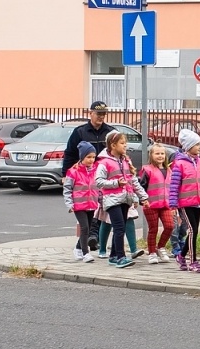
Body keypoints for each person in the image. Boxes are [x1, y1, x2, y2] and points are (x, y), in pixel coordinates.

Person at [62, 101, 114, 251]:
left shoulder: (110, 132)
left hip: (105, 175)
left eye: (103, 114)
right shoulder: (80, 132)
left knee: (102, 206)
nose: (101, 117)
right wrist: (65, 174)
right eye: (98, 114)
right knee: (89, 207)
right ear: (90, 113)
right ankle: (91, 238)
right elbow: (70, 153)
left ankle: (92, 237)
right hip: (85, 176)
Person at [96, 130, 145, 269]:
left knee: (121, 228)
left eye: (125, 143)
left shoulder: (126, 161)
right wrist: (116, 183)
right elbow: (98, 181)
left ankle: (113, 256)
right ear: (113, 145)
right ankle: (121, 257)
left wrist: (142, 197)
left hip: (125, 199)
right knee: (119, 228)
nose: (125, 145)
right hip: (112, 199)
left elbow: (133, 181)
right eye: (122, 143)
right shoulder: (104, 162)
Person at [168, 129, 200, 274]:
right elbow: (174, 185)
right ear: (188, 146)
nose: (199, 147)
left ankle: (181, 256)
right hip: (185, 203)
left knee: (194, 231)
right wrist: (173, 204)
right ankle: (193, 261)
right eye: (197, 144)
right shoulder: (179, 163)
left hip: (197, 201)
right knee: (192, 230)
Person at [62, 142, 100, 263]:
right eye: (88, 157)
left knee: (87, 228)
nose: (91, 160)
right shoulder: (73, 171)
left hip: (92, 204)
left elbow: (98, 187)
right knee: (84, 228)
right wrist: (69, 204)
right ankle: (85, 253)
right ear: (82, 157)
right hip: (79, 205)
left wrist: (100, 199)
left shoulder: (95, 170)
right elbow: (67, 189)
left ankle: (78, 248)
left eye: (93, 157)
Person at [140, 144, 174, 263]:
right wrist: (143, 200)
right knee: (153, 229)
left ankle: (160, 247)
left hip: (166, 205)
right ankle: (152, 253)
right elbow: (142, 186)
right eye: (157, 153)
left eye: (162, 153)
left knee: (169, 226)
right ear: (151, 155)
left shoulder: (169, 170)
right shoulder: (147, 170)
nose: (160, 156)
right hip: (151, 205)